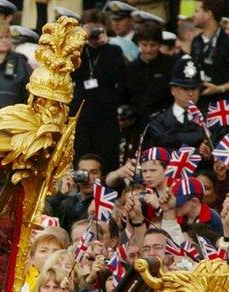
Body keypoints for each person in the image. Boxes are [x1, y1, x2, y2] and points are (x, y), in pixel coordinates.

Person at [71, 10, 128, 175]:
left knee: (107, 160)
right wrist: (80, 41)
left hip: (105, 116)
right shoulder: (78, 50)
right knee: (81, 159)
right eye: (90, 28)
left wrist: (107, 44)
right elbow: (71, 71)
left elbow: (120, 78)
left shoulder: (113, 51)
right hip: (81, 116)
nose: (94, 33)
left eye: (98, 28)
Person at [190, 0, 229, 109]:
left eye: (197, 11)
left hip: (223, 109)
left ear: (208, 14)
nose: (193, 15)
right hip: (199, 107)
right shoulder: (196, 41)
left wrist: (220, 88)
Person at [145, 55, 208, 152]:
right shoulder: (158, 121)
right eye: (185, 89)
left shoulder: (208, 119)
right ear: (173, 90)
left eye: (194, 89)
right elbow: (160, 151)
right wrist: (197, 150)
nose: (191, 93)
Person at [126, 23, 174, 131]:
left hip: (165, 124)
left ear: (159, 44)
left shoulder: (171, 65)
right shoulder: (130, 69)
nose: (148, 50)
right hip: (138, 125)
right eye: (144, 45)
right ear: (138, 44)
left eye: (153, 45)